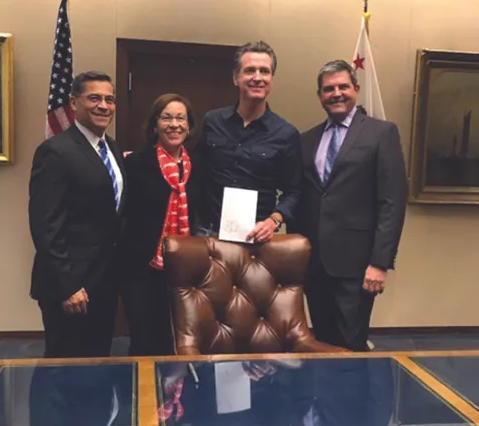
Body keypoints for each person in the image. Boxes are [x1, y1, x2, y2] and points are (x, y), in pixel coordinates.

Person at [292, 60, 407, 351]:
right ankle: (326, 398)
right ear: (320, 96)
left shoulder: (381, 133)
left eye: (343, 86)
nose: (337, 93)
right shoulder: (307, 140)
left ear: (356, 89)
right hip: (315, 265)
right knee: (321, 344)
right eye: (329, 89)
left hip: (357, 266)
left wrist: (380, 263)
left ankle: (352, 397)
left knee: (351, 346)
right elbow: (303, 199)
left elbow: (391, 201)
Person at [29, 71, 126, 358]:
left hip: (104, 280)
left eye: (109, 99)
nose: (103, 106)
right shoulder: (55, 152)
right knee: (64, 370)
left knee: (97, 361)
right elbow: (46, 225)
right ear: (74, 103)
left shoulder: (113, 149)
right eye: (94, 98)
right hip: (71, 286)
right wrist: (68, 285)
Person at [120, 93, 200, 356]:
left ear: (189, 126)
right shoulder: (134, 163)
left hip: (186, 269)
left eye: (181, 118)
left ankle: (179, 398)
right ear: (155, 125)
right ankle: (143, 395)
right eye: (166, 118)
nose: (174, 124)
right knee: (144, 341)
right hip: (142, 269)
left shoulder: (199, 166)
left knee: (181, 340)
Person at [197, 40, 301, 242]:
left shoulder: (286, 134)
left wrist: (274, 220)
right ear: (236, 77)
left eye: (265, 71)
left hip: (256, 240)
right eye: (250, 70)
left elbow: (294, 192)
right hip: (208, 235)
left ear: (272, 79)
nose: (257, 78)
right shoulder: (213, 121)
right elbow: (193, 168)